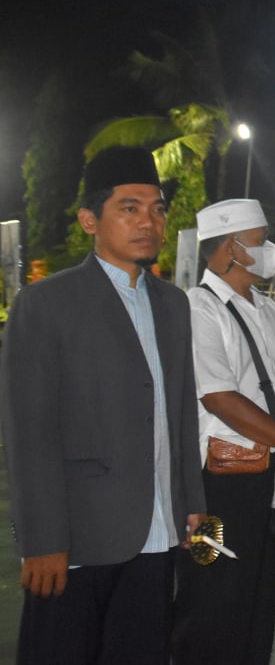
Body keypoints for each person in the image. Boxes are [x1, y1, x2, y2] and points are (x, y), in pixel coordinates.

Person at [0, 146, 206, 665]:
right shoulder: (46, 303)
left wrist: (192, 502)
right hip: (78, 537)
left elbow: (181, 413)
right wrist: (42, 540)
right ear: (90, 220)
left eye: (157, 209)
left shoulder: (173, 304)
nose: (148, 222)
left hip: (158, 529)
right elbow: (30, 433)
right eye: (129, 208)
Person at [174, 199, 275, 665]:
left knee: (257, 593)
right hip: (217, 483)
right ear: (229, 249)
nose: (270, 251)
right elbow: (218, 398)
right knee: (210, 594)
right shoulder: (198, 308)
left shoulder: (267, 308)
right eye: (259, 242)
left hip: (269, 474)